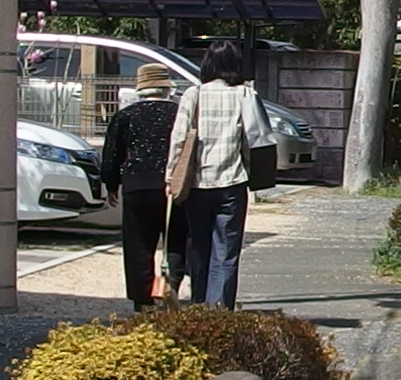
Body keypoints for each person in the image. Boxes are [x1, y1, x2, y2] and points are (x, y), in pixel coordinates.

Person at [165, 38, 277, 310]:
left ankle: (199, 306)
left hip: (198, 183)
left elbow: (179, 139)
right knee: (226, 252)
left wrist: (171, 176)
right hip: (233, 182)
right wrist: (259, 176)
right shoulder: (245, 95)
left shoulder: (194, 95)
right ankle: (221, 310)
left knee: (199, 248)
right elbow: (260, 139)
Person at [97, 61, 183, 309]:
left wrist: (111, 184)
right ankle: (170, 289)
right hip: (171, 185)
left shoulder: (126, 115)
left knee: (138, 244)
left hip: (136, 184)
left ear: (140, 88)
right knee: (175, 239)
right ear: (167, 88)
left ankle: (142, 299)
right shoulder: (178, 113)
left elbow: (112, 153)